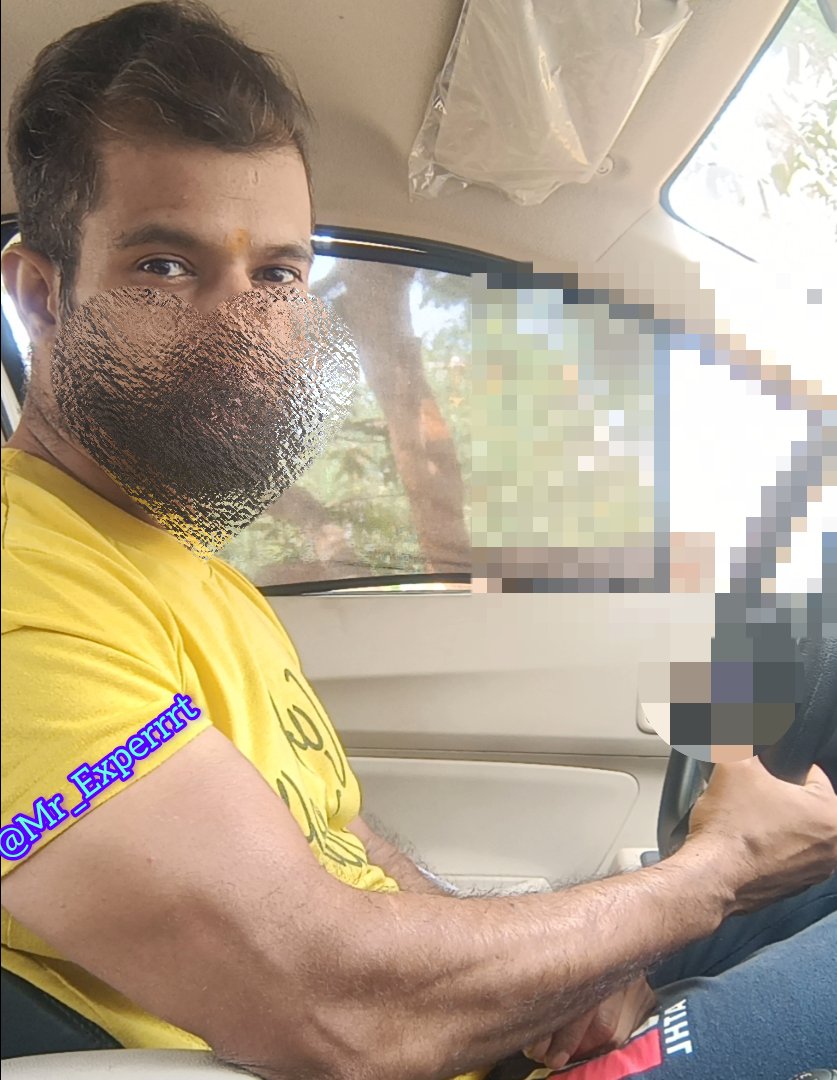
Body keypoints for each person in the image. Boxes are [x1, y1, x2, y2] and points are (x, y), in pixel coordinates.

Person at [1, 4, 835, 1079]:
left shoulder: (194, 575)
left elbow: (340, 842)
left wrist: (552, 986)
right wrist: (715, 871)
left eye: (278, 274)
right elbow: (337, 1009)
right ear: (42, 295)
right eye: (165, 265)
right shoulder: (23, 589)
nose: (242, 329)